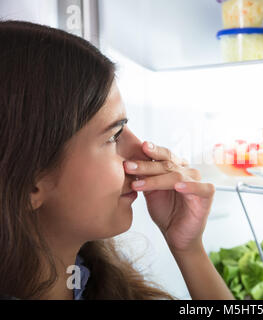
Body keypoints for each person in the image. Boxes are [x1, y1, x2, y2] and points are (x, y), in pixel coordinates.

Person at [0, 20, 234, 300]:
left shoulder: (97, 281)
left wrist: (189, 250)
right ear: (30, 186)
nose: (143, 151)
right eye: (113, 136)